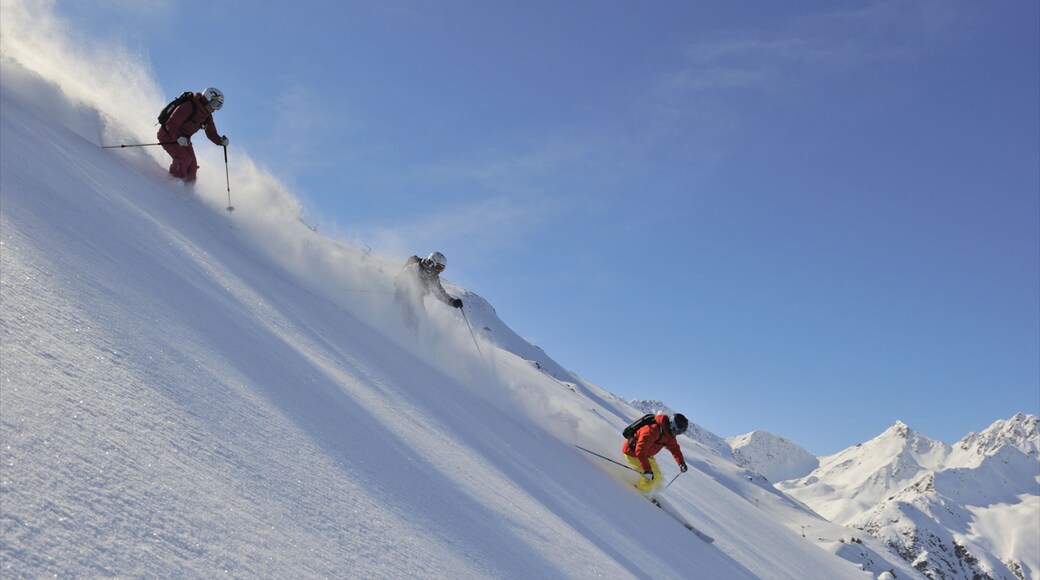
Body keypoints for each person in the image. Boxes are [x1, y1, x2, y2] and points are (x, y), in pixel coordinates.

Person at [157, 87, 230, 182]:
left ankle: (187, 188)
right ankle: (172, 183)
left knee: (192, 167)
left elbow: (211, 133)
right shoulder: (189, 106)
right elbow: (171, 124)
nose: (215, 109)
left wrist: (221, 141)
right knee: (184, 159)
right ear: (207, 99)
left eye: (218, 106)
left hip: (184, 140)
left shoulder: (207, 116)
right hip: (168, 135)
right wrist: (178, 137)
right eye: (214, 104)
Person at [622, 413, 689, 494]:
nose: (678, 434)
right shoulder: (653, 430)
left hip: (646, 455)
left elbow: (674, 448)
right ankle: (638, 493)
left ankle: (646, 493)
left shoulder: (668, 434)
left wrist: (681, 463)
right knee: (651, 477)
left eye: (681, 432)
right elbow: (640, 451)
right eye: (678, 431)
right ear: (672, 425)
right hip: (633, 454)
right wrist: (647, 470)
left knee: (658, 477)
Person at [394, 252, 464, 328]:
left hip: (418, 300)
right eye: (438, 268)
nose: (439, 271)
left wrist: (453, 302)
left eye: (441, 269)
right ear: (431, 262)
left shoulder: (433, 278)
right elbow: (402, 279)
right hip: (404, 296)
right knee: (411, 319)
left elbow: (440, 294)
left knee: (423, 321)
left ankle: (419, 333)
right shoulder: (416, 267)